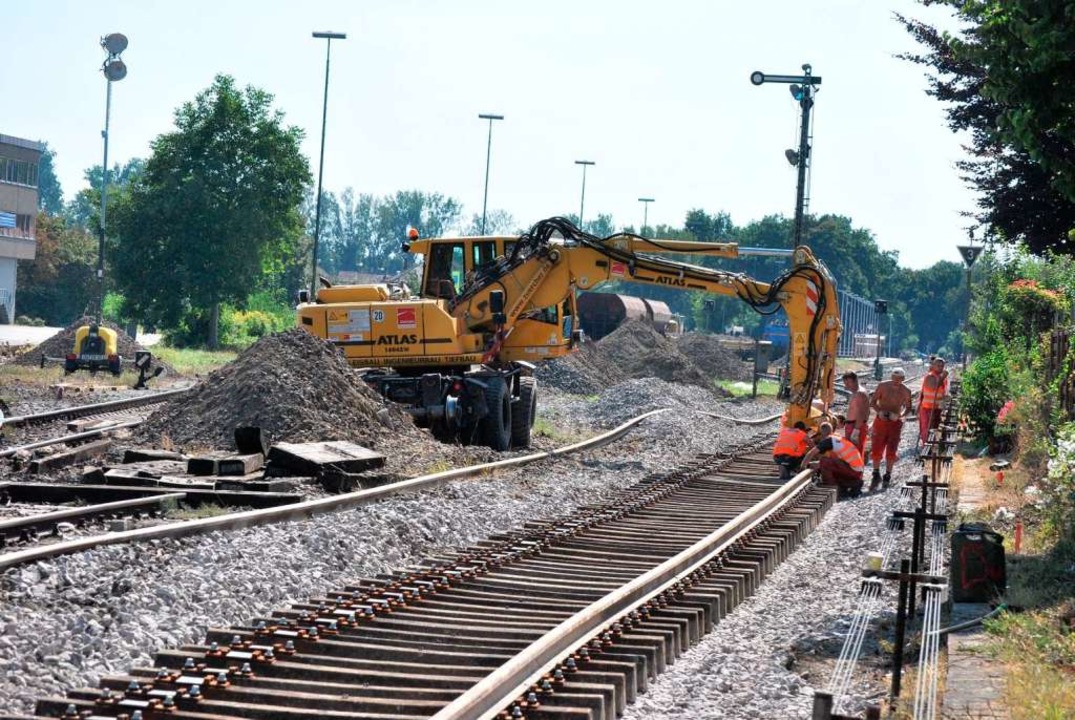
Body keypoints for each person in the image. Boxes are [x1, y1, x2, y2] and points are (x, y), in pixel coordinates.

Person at [868, 367, 914, 491]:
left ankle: (887, 474)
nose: (895, 381)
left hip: (894, 423)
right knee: (876, 447)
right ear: (891, 376)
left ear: (903, 379)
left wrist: (900, 415)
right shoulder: (882, 386)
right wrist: (879, 412)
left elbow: (909, 407)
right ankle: (876, 473)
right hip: (881, 421)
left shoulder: (906, 391)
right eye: (894, 377)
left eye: (899, 379)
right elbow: (873, 402)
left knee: (892, 449)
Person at [802, 421, 866, 498]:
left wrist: (803, 467)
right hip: (857, 471)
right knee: (826, 462)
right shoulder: (838, 438)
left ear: (822, 433)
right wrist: (816, 465)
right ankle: (851, 484)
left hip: (853, 471)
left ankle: (830, 488)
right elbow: (836, 462)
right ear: (832, 430)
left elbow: (811, 453)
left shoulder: (828, 441)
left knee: (824, 461)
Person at [917, 356, 949, 446]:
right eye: (938, 366)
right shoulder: (930, 376)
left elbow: (942, 392)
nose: (940, 368)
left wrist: (945, 399)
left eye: (942, 366)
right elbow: (934, 387)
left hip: (937, 408)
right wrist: (943, 377)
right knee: (927, 429)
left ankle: (932, 446)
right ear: (933, 366)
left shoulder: (942, 378)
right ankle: (926, 446)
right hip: (927, 407)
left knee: (935, 428)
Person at [841, 371, 870, 456]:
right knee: (853, 452)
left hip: (855, 426)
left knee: (853, 453)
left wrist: (856, 431)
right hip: (855, 425)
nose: (846, 385)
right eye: (845, 383)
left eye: (849, 383)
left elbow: (861, 413)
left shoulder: (859, 394)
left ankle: (856, 469)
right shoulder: (859, 391)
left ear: (856, 380)